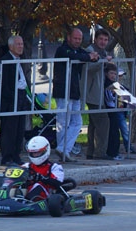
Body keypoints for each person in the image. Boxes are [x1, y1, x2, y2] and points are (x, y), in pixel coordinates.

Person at [53, 26, 95, 159]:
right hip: (63, 91)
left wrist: (93, 56)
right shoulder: (62, 49)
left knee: (77, 122)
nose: (77, 41)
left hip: (75, 91)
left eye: (80, 39)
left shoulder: (79, 51)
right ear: (68, 38)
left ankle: (63, 149)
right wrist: (89, 56)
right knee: (63, 122)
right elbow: (73, 56)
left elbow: (89, 56)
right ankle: (63, 151)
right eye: (75, 38)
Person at [0, 35, 32, 166]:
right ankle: (7, 157)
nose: (21, 46)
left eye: (22, 44)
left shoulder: (19, 59)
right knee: (9, 130)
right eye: (18, 44)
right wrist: (12, 97)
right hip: (10, 99)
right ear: (10, 46)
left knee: (19, 129)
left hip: (21, 97)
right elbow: (4, 83)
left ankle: (16, 156)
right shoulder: (5, 60)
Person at [83, 30, 113, 160]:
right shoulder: (90, 51)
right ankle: (100, 153)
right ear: (95, 39)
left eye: (106, 40)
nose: (103, 42)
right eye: (101, 39)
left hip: (98, 92)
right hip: (92, 92)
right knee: (103, 122)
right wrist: (103, 61)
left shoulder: (103, 53)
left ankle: (91, 152)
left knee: (93, 124)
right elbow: (88, 68)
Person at [21, 134, 66, 199]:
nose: (36, 155)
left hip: (46, 197)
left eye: (38, 152)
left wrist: (42, 178)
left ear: (45, 151)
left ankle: (26, 201)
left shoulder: (54, 167)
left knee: (38, 185)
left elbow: (57, 183)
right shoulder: (26, 166)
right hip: (26, 191)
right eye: (34, 153)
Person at [102, 62, 125, 159]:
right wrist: (115, 93)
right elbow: (109, 98)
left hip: (114, 109)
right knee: (113, 131)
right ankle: (112, 153)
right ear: (106, 73)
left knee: (116, 130)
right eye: (111, 73)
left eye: (115, 74)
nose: (113, 76)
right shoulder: (107, 84)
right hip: (110, 109)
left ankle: (115, 152)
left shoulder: (114, 84)